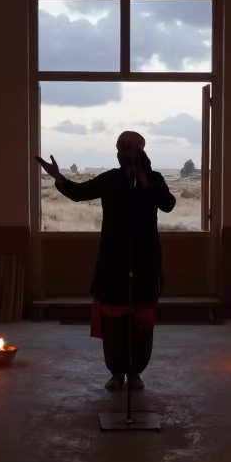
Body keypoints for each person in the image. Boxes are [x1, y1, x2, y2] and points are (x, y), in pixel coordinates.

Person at [37, 132, 176, 390]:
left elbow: (168, 206)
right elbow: (79, 193)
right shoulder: (111, 179)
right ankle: (116, 372)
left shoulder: (154, 179)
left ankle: (136, 373)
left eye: (126, 147)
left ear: (140, 151)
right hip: (114, 261)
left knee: (142, 320)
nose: (121, 152)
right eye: (118, 147)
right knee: (114, 322)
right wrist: (57, 177)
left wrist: (147, 182)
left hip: (145, 261)